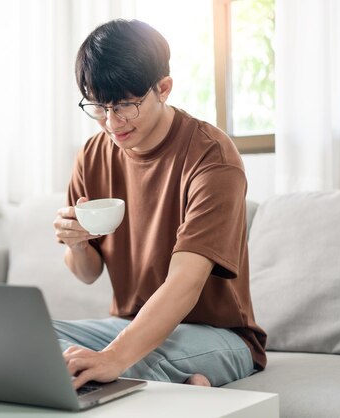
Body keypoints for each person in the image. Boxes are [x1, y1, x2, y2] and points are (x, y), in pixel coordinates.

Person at [52, 19, 267, 389]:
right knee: (29, 341)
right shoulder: (92, 154)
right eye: (98, 107)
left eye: (123, 106)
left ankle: (171, 383)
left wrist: (114, 357)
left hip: (220, 336)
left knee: (126, 365)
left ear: (163, 88)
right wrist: (76, 242)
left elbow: (185, 281)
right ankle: (183, 388)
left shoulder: (212, 157)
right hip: (129, 326)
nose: (110, 123)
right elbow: (86, 273)